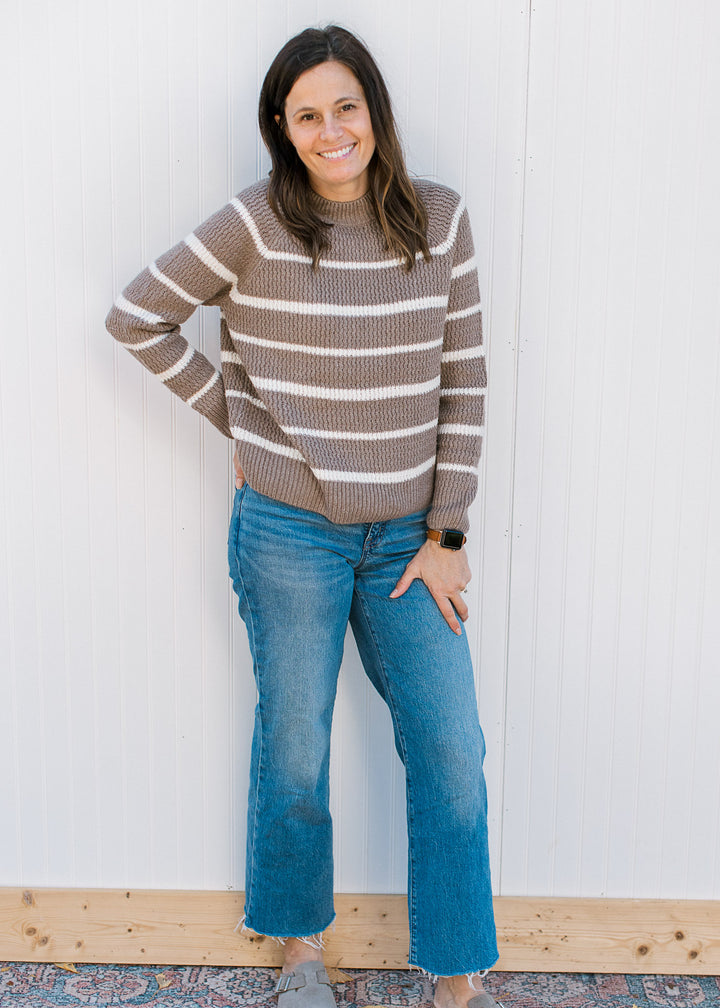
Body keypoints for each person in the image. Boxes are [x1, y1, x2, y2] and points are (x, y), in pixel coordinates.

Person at [105, 24, 500, 1008]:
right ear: (282, 130)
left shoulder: (440, 220)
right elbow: (137, 318)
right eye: (307, 115)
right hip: (289, 534)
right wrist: (236, 419)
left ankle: (456, 978)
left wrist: (449, 533)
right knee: (295, 745)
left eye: (346, 107)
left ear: (375, 111)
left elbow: (465, 383)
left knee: (451, 746)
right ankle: (301, 957)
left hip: (410, 543)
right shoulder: (252, 223)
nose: (332, 131)